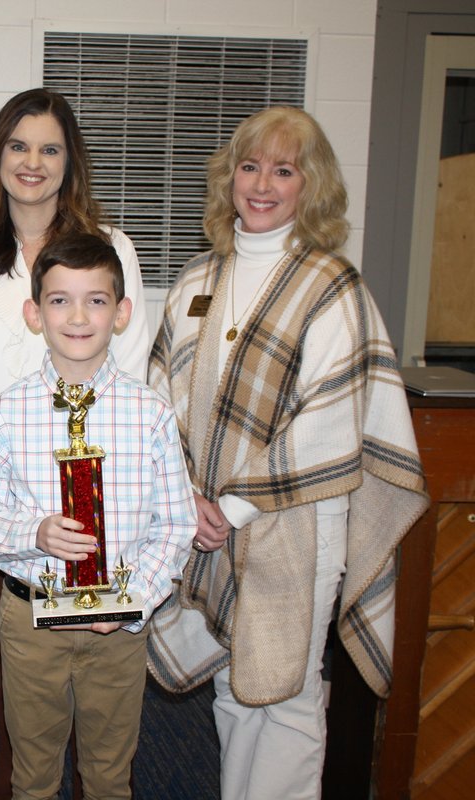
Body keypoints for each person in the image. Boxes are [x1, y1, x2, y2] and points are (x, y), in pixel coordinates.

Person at [146, 107, 429, 800]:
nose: (262, 183)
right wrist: (185, 497)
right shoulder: (197, 280)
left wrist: (232, 507)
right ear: (229, 179)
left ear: (313, 185)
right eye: (249, 166)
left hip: (296, 525)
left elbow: (330, 423)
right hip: (206, 522)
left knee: (288, 695)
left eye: (283, 169)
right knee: (235, 685)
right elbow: (160, 401)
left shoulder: (332, 285)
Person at [0, 87, 152, 798]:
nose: (33, 162)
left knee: (100, 669)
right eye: (19, 146)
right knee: (20, 666)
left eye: (50, 148)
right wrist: (11, 479)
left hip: (99, 490)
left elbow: (136, 361)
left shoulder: (110, 247)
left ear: (70, 161)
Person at [0, 233, 196, 799]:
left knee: (110, 776)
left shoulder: (152, 415)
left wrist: (131, 599)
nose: (78, 315)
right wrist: (34, 532)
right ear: (34, 313)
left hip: (117, 629)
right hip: (32, 620)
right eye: (60, 299)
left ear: (121, 314)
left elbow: (176, 525)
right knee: (34, 776)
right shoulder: (7, 412)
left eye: (96, 300)